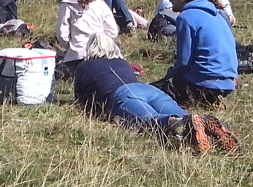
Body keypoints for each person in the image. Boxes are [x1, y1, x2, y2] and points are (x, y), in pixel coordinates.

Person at [74, 34, 239, 154]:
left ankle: (185, 126)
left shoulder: (84, 67)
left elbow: (81, 102)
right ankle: (205, 123)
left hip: (122, 95)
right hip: (148, 89)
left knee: (151, 122)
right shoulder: (123, 63)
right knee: (183, 116)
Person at [153, 0, 238, 108]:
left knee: (152, 92)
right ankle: (210, 100)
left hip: (203, 81)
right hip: (229, 81)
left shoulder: (186, 17)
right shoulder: (220, 14)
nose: (170, 1)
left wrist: (169, 75)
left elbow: (184, 62)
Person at [55, 0, 118, 76]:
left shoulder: (67, 5)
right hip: (101, 57)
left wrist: (70, 48)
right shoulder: (101, 4)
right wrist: (101, 46)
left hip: (77, 57)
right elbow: (113, 31)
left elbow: (62, 33)